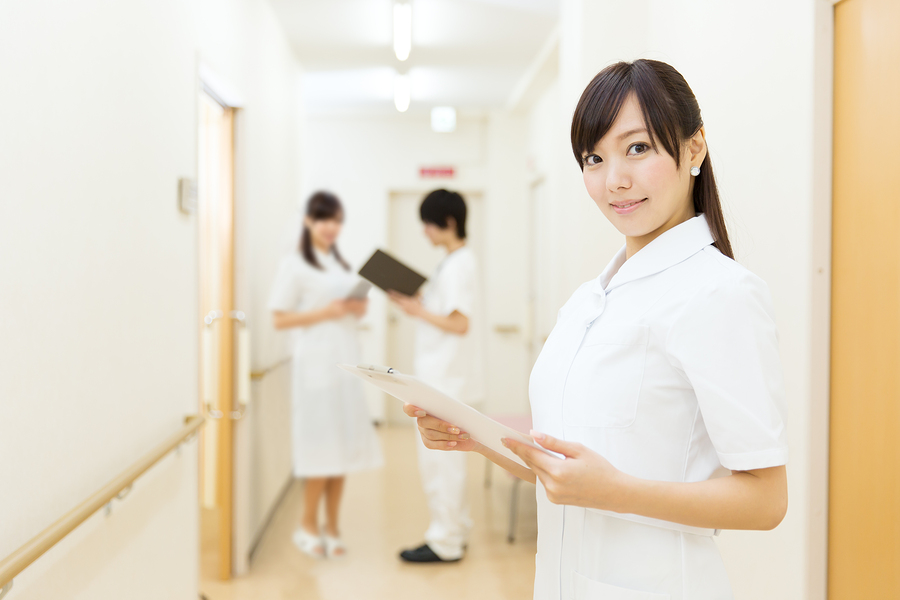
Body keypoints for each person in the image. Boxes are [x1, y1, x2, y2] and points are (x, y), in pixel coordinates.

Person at [404, 59, 789, 599]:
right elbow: (568, 473)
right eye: (594, 158)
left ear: (695, 147)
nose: (615, 180)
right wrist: (478, 439)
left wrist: (617, 492)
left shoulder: (720, 293)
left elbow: (766, 500)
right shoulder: (590, 299)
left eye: (638, 148)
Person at [269, 191, 383, 559]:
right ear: (308, 222)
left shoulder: (340, 264)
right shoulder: (295, 265)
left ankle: (332, 526)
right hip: (315, 367)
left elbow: (350, 313)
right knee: (320, 450)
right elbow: (279, 318)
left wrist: (355, 308)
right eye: (324, 220)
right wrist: (328, 312)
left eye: (336, 220)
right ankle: (306, 525)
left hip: (345, 364)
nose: (331, 227)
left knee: (343, 450)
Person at [390, 189, 484, 563]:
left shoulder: (460, 264)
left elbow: (459, 323)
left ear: (447, 222)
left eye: (427, 223)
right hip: (441, 376)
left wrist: (416, 310)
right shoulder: (452, 262)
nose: (424, 231)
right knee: (445, 461)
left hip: (446, 379)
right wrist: (418, 304)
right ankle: (454, 531)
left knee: (441, 462)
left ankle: (445, 542)